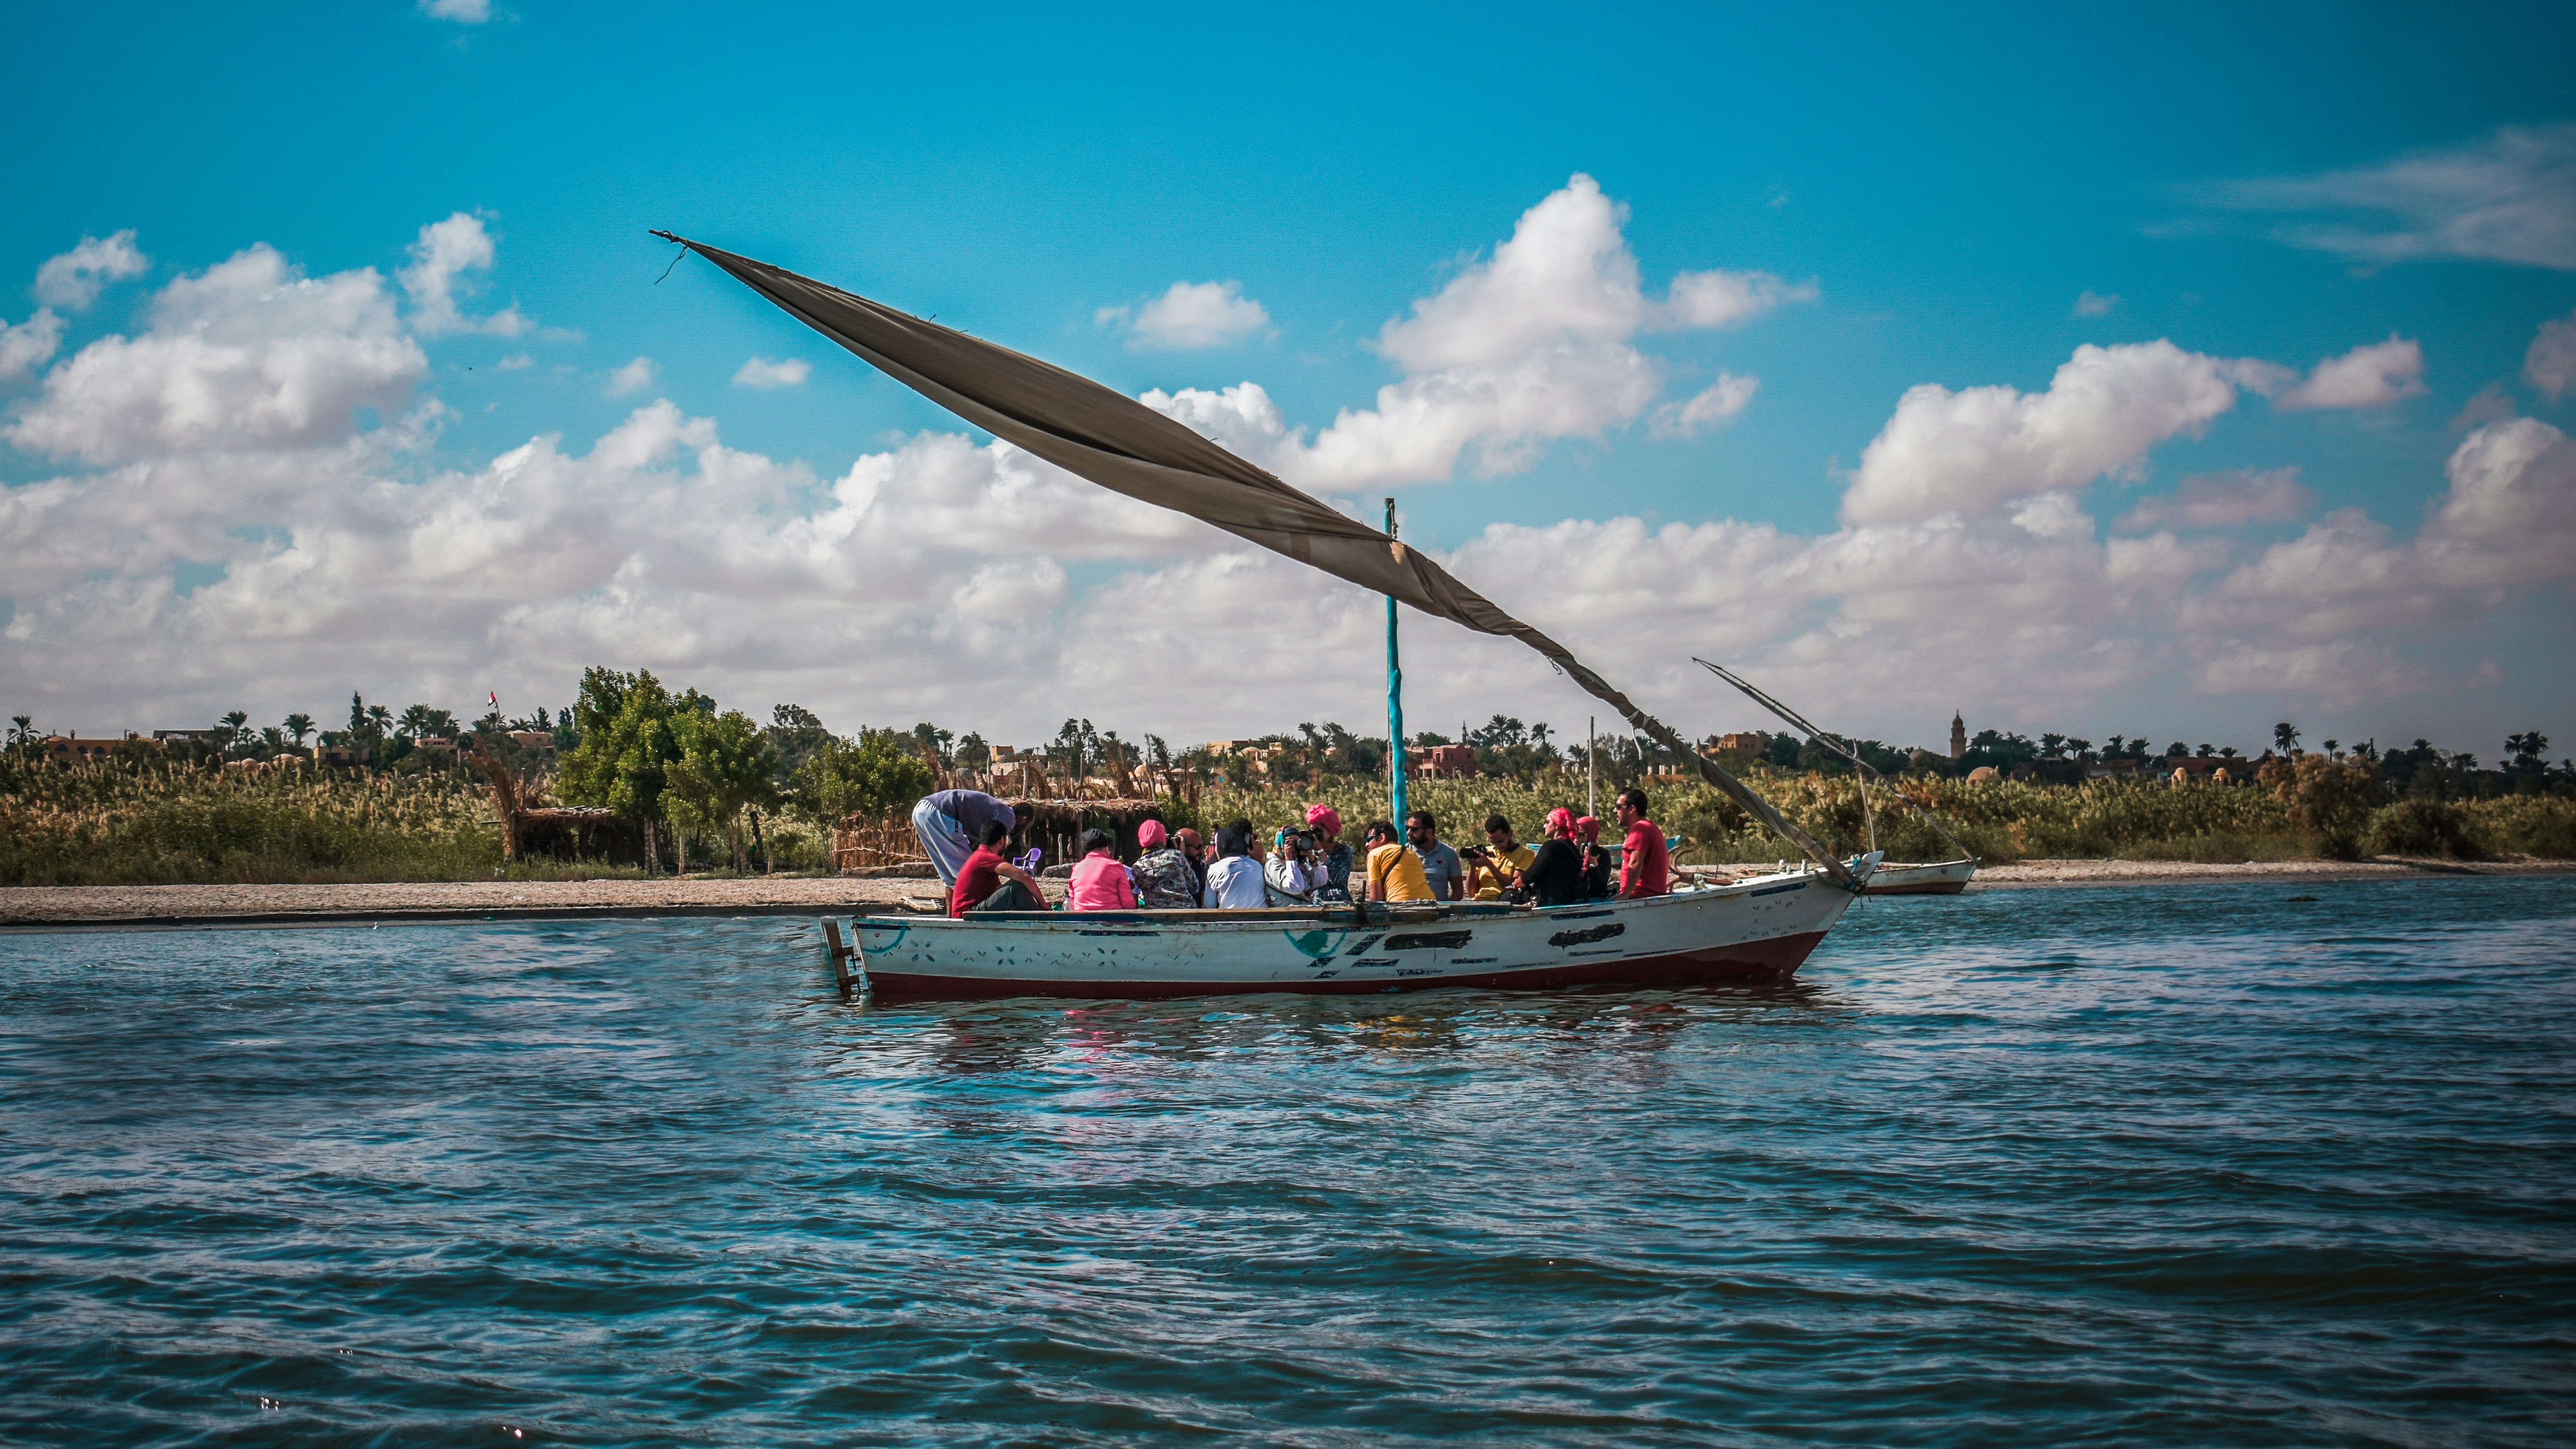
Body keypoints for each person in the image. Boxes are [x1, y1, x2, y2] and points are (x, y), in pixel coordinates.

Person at [911, 788, 1017, 887]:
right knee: (971, 872)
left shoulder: (981, 821)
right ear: (1024, 820)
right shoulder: (1009, 816)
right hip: (941, 812)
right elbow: (992, 847)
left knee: (951, 880)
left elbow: (971, 843)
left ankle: (954, 906)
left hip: (920, 810)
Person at [949, 818, 1045, 915]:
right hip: (967, 914)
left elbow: (999, 890)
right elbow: (1024, 877)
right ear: (1002, 840)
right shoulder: (985, 857)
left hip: (968, 912)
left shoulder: (979, 856)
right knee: (1017, 886)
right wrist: (1044, 905)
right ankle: (1041, 919)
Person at [1514, 806, 1588, 908]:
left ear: (1558, 825)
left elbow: (1531, 875)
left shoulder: (1551, 846)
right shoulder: (1574, 849)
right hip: (1568, 903)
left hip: (1548, 903)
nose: (1545, 826)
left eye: (1548, 822)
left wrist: (1516, 884)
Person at [1129, 819, 1198, 909]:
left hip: (1157, 918)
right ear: (1163, 839)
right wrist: (1181, 855)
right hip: (1185, 915)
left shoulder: (1136, 868)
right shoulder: (1175, 856)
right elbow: (1194, 887)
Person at [1465, 812, 1535, 900]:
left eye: (1500, 842)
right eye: (1493, 843)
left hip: (1503, 903)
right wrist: (1472, 864)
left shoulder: (1525, 854)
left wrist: (1489, 865)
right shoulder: (1485, 852)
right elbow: (1471, 893)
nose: (1497, 846)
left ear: (1510, 834)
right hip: (1479, 902)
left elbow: (1514, 887)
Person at [1615, 787, 1670, 898]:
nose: (1615, 811)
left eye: (1619, 807)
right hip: (1649, 897)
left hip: (1639, 898)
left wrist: (1626, 895)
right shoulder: (1650, 826)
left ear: (1632, 809)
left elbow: (1635, 862)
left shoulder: (1640, 829)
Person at [1066, 827, 1137, 911]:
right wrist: (1129, 888)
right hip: (1112, 921)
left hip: (1082, 922)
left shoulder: (1076, 869)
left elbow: (1072, 903)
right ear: (1106, 847)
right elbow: (1129, 905)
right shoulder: (1115, 866)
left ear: (1086, 850)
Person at [1364, 819, 1434, 902]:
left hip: (1400, 906)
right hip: (1429, 903)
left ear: (1382, 838)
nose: (1367, 845)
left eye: (1369, 839)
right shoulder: (1411, 853)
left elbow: (1377, 900)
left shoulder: (1375, 854)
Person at [1203, 819, 1267, 908]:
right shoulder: (1258, 866)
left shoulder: (1215, 868)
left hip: (1229, 920)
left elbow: (1209, 906)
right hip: (1260, 919)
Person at [1406, 810, 1465, 902]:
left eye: (1414, 829)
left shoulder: (1449, 854)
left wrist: (1444, 908)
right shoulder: (1403, 853)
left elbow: (1458, 892)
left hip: (1440, 911)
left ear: (1429, 832)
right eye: (1408, 828)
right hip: (1410, 909)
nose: (1409, 833)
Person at [1305, 805, 1354, 902]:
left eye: (1318, 831)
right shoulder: (1310, 853)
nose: (1314, 835)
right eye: (1312, 831)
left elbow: (1335, 877)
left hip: (1338, 905)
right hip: (1314, 905)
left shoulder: (1344, 851)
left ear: (1330, 833)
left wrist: (1320, 851)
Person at [1265, 826, 1318, 903]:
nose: (1294, 846)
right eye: (1289, 842)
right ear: (1281, 843)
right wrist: (1289, 859)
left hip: (1302, 912)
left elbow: (1320, 882)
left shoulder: (1297, 863)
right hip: (1284, 913)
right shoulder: (1273, 864)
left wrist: (1313, 860)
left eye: (1296, 842)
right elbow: (1295, 887)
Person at [1575, 815, 1612, 900]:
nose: (1576, 838)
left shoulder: (1602, 854)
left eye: (1581, 835)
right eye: (1574, 833)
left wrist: (1593, 863)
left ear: (1591, 834)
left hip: (1594, 900)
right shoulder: (1571, 852)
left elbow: (1600, 887)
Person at [1174, 827, 1209, 899]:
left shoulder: (1203, 868)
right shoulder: (1165, 867)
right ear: (1182, 845)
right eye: (1198, 847)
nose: (1203, 851)